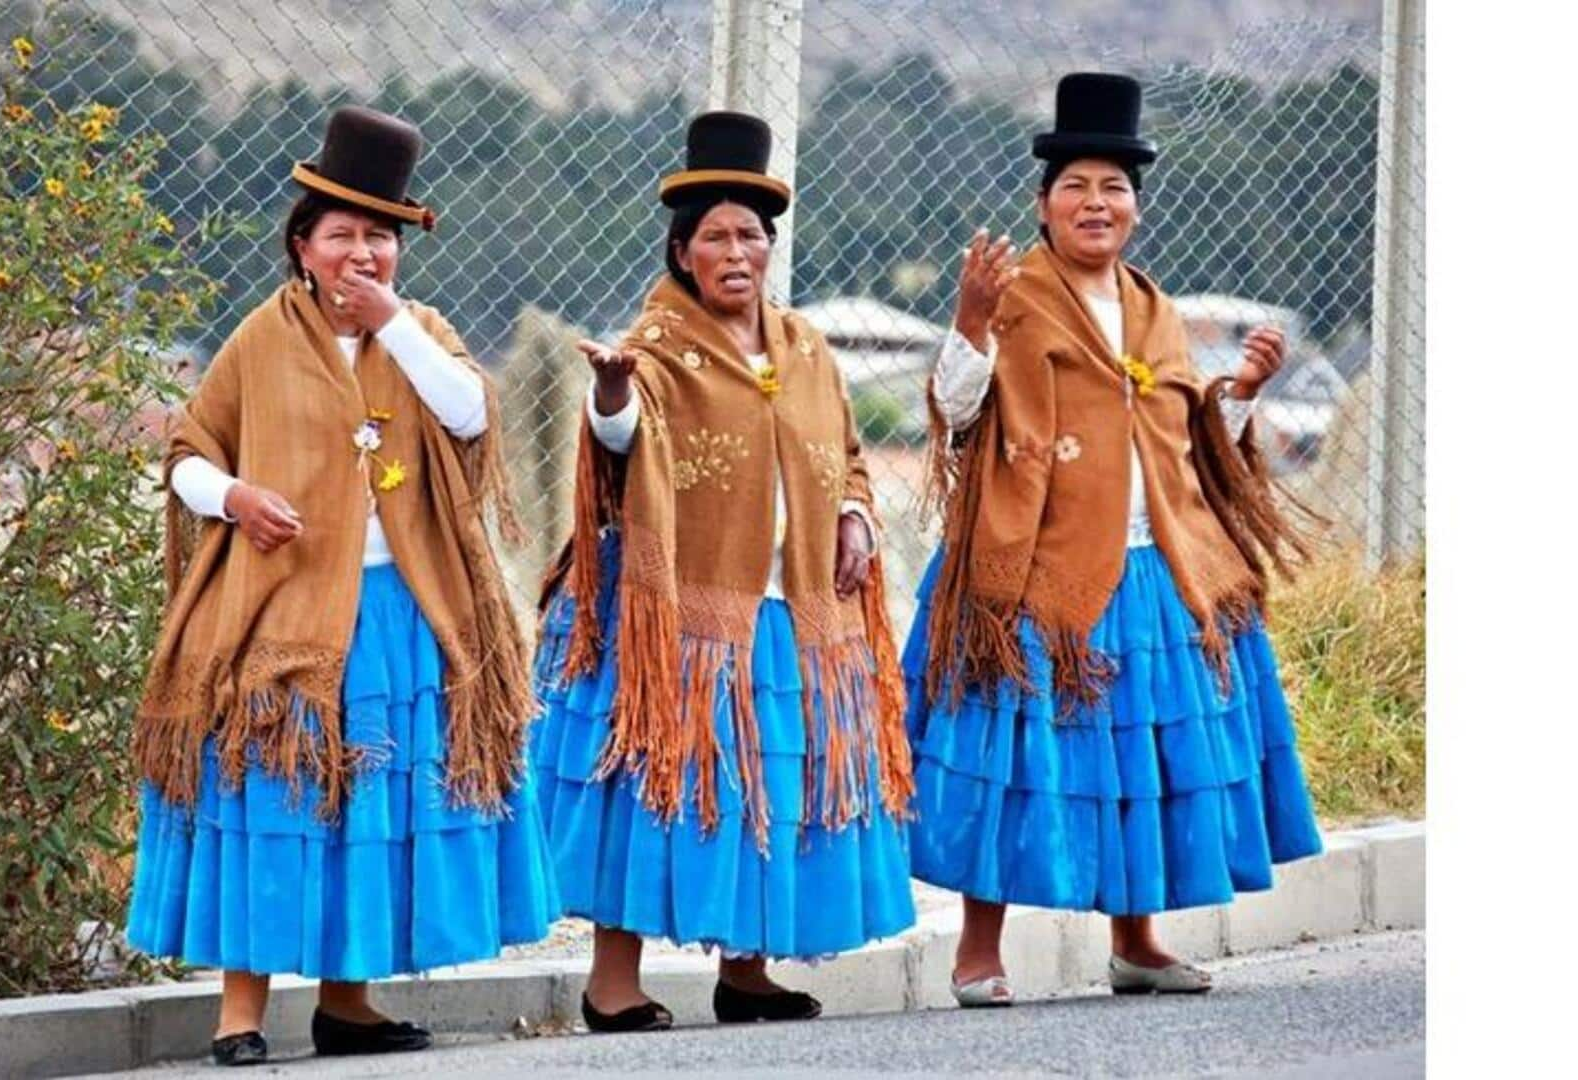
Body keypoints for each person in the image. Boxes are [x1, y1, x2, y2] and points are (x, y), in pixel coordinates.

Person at [124, 106, 557, 1063]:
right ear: (302, 246)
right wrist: (234, 497)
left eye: (381, 237)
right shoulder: (260, 340)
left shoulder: (424, 334)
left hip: (399, 611)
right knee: (271, 798)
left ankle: (346, 1000)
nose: (362, 254)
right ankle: (239, 1014)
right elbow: (189, 452)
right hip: (280, 610)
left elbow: (469, 415)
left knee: (369, 803)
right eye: (341, 236)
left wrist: (393, 324)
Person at [901, 73, 1323, 1008]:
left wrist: (1243, 392)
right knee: (1012, 753)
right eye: (1077, 187)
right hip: (1036, 571)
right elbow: (959, 414)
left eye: (1114, 189)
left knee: (1139, 756)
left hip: (1150, 565)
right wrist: (968, 324)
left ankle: (1136, 942)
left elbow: (1187, 442)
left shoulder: (1154, 309)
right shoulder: (1013, 300)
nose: (1097, 204)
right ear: (1043, 203)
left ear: (1136, 207)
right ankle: (979, 950)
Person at [529, 111, 917, 1033]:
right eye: (715, 236)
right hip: (676, 615)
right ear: (682, 250)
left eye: (751, 234)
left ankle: (747, 972)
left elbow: (846, 452)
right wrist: (612, 395)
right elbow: (620, 440)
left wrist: (855, 514)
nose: (735, 251)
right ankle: (611, 984)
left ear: (770, 249)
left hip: (789, 609)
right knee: (653, 776)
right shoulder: (654, 351)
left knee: (764, 779)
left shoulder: (807, 349)